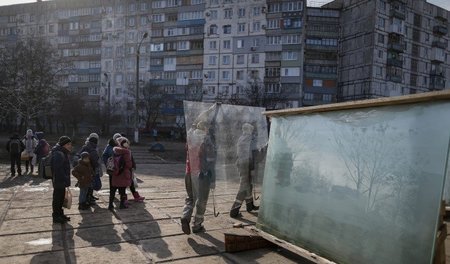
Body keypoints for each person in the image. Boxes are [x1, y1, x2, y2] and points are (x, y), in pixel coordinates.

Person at [180, 120, 216, 234]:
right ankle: (197, 224)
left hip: (188, 172)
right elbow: (210, 160)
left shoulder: (190, 137)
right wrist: (213, 178)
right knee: (202, 199)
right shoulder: (206, 140)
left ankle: (185, 216)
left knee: (190, 197)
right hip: (201, 174)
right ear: (205, 128)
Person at [102, 133, 144, 203]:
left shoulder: (123, 149)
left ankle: (127, 199)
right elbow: (107, 158)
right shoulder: (114, 149)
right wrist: (110, 166)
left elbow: (131, 159)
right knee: (119, 186)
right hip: (117, 170)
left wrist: (133, 165)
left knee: (127, 184)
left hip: (122, 170)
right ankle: (122, 200)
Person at [229, 123, 259, 218]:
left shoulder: (241, 138)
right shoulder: (250, 139)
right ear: (249, 130)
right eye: (251, 129)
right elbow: (254, 154)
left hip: (241, 163)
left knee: (248, 185)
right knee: (244, 186)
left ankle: (249, 205)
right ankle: (234, 210)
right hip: (246, 164)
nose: (252, 131)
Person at [51, 136, 72, 224]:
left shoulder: (62, 152)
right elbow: (57, 169)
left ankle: (60, 214)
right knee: (57, 198)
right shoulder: (59, 154)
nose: (70, 146)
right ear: (63, 145)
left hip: (61, 180)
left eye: (70, 144)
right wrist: (64, 177)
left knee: (60, 198)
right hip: (59, 180)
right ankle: (56, 216)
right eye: (68, 144)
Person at [109, 136, 133, 210]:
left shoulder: (115, 150)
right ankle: (122, 205)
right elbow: (129, 165)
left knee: (113, 190)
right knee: (122, 191)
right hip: (123, 174)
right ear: (124, 144)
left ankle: (110, 205)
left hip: (115, 173)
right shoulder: (126, 152)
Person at [79, 133, 101, 205]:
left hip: (84, 169)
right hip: (90, 170)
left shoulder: (86, 147)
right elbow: (95, 161)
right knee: (88, 186)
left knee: (87, 186)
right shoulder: (92, 149)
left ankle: (88, 198)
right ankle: (85, 201)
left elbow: (79, 155)